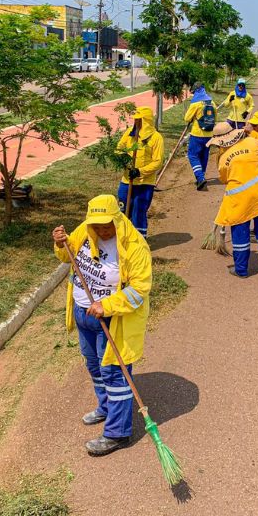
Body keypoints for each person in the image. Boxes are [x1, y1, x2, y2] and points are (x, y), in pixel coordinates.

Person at [52, 194, 152, 456]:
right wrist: (61, 243)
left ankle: (117, 433)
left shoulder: (134, 247)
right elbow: (67, 256)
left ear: (117, 219)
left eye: (106, 224)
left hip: (112, 319)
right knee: (93, 364)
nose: (101, 229)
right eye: (96, 225)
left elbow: (140, 289)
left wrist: (106, 305)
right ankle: (105, 407)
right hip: (83, 314)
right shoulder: (85, 231)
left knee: (115, 373)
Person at [207, 122, 258, 279]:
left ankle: (241, 269)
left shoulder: (223, 158)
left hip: (239, 201)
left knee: (240, 234)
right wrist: (251, 133)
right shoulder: (250, 142)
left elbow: (224, 179)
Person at [115, 105, 163, 237]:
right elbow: (119, 147)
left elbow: (157, 161)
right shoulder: (130, 133)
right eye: (135, 120)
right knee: (123, 209)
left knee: (139, 211)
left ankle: (140, 240)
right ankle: (122, 237)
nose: (136, 122)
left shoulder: (156, 138)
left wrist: (140, 171)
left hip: (145, 183)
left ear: (146, 121)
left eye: (139, 120)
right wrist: (122, 159)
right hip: (127, 180)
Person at [183, 82, 216, 190]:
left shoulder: (195, 104)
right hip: (209, 135)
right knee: (204, 156)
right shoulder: (212, 103)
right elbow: (215, 117)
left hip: (197, 134)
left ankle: (200, 178)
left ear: (196, 91)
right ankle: (201, 177)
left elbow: (187, 118)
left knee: (192, 155)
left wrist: (194, 117)